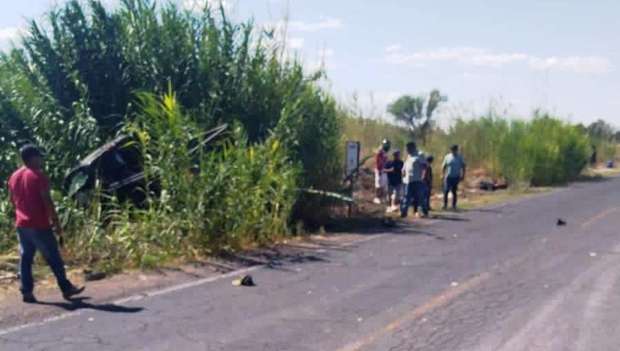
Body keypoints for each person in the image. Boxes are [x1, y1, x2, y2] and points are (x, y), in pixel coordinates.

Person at [7, 144, 85, 303]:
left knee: (26, 258)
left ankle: (26, 291)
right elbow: (47, 200)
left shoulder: (14, 176)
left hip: (22, 225)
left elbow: (12, 201)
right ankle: (66, 287)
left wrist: (21, 213)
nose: (41, 159)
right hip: (39, 224)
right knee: (53, 257)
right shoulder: (38, 176)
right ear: (32, 158)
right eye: (39, 156)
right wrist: (56, 222)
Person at [400, 142, 428, 218]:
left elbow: (424, 166)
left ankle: (424, 210)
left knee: (420, 197)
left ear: (412, 147)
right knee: (406, 196)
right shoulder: (409, 156)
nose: (406, 150)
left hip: (417, 180)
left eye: (408, 148)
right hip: (408, 180)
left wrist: (423, 175)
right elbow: (405, 165)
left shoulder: (419, 155)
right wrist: (403, 171)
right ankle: (404, 212)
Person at [442, 144, 466, 210]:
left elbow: (463, 166)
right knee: (446, 191)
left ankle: (454, 205)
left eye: (455, 150)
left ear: (457, 150)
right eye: (452, 150)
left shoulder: (460, 157)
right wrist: (443, 174)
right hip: (448, 177)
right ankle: (445, 205)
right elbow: (444, 166)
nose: (453, 151)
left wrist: (463, 175)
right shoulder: (447, 157)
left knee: (454, 191)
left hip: (456, 177)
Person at [373, 139, 391, 204]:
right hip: (379, 169)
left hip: (384, 170)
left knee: (383, 185)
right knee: (378, 184)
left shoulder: (385, 152)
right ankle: (377, 197)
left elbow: (386, 161)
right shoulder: (380, 151)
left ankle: (382, 197)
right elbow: (377, 161)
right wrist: (379, 170)